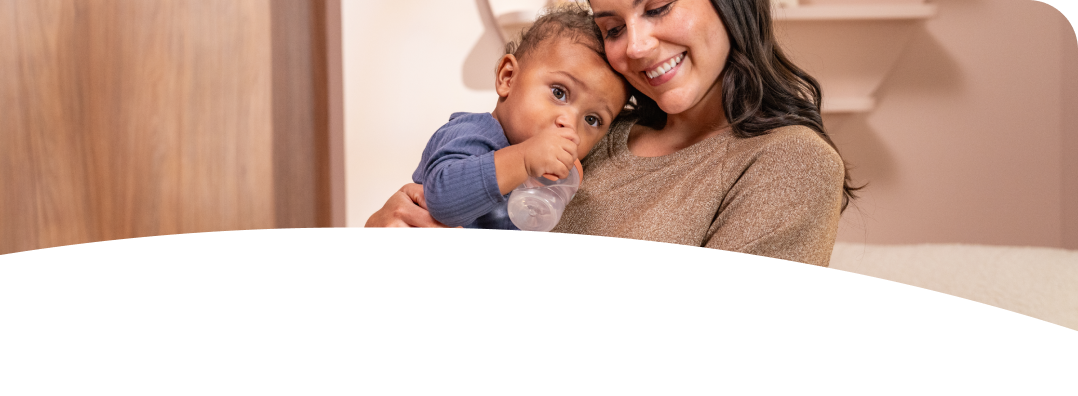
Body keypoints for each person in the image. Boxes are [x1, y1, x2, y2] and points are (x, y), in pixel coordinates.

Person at [367, 0, 859, 267]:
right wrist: (385, 229)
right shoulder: (589, 134)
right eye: (613, 27)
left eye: (659, 6)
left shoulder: (787, 163)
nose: (638, 46)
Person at [412, 5, 627, 229]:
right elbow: (441, 200)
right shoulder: (472, 133)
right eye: (559, 93)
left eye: (591, 119)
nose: (570, 125)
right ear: (508, 77)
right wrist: (524, 159)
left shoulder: (547, 175)